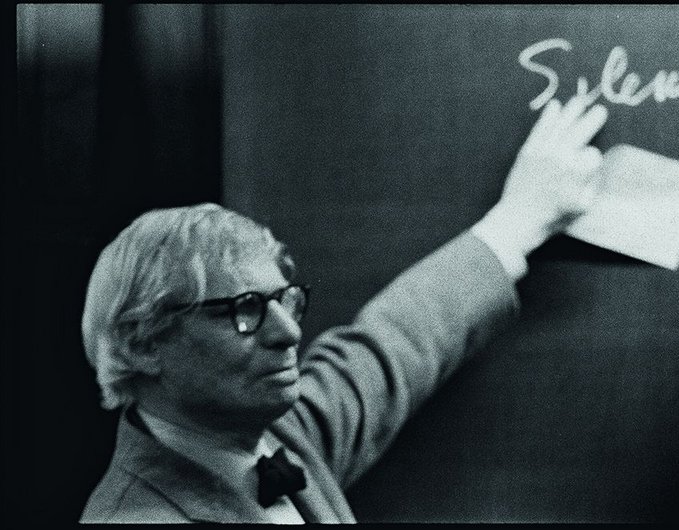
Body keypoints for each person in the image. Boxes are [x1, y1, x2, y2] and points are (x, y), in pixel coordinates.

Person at [80, 96, 608, 523]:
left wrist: (521, 219)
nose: (287, 333)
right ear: (143, 343)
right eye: (244, 310)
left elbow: (394, 344)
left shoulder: (282, 436)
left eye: (285, 301)